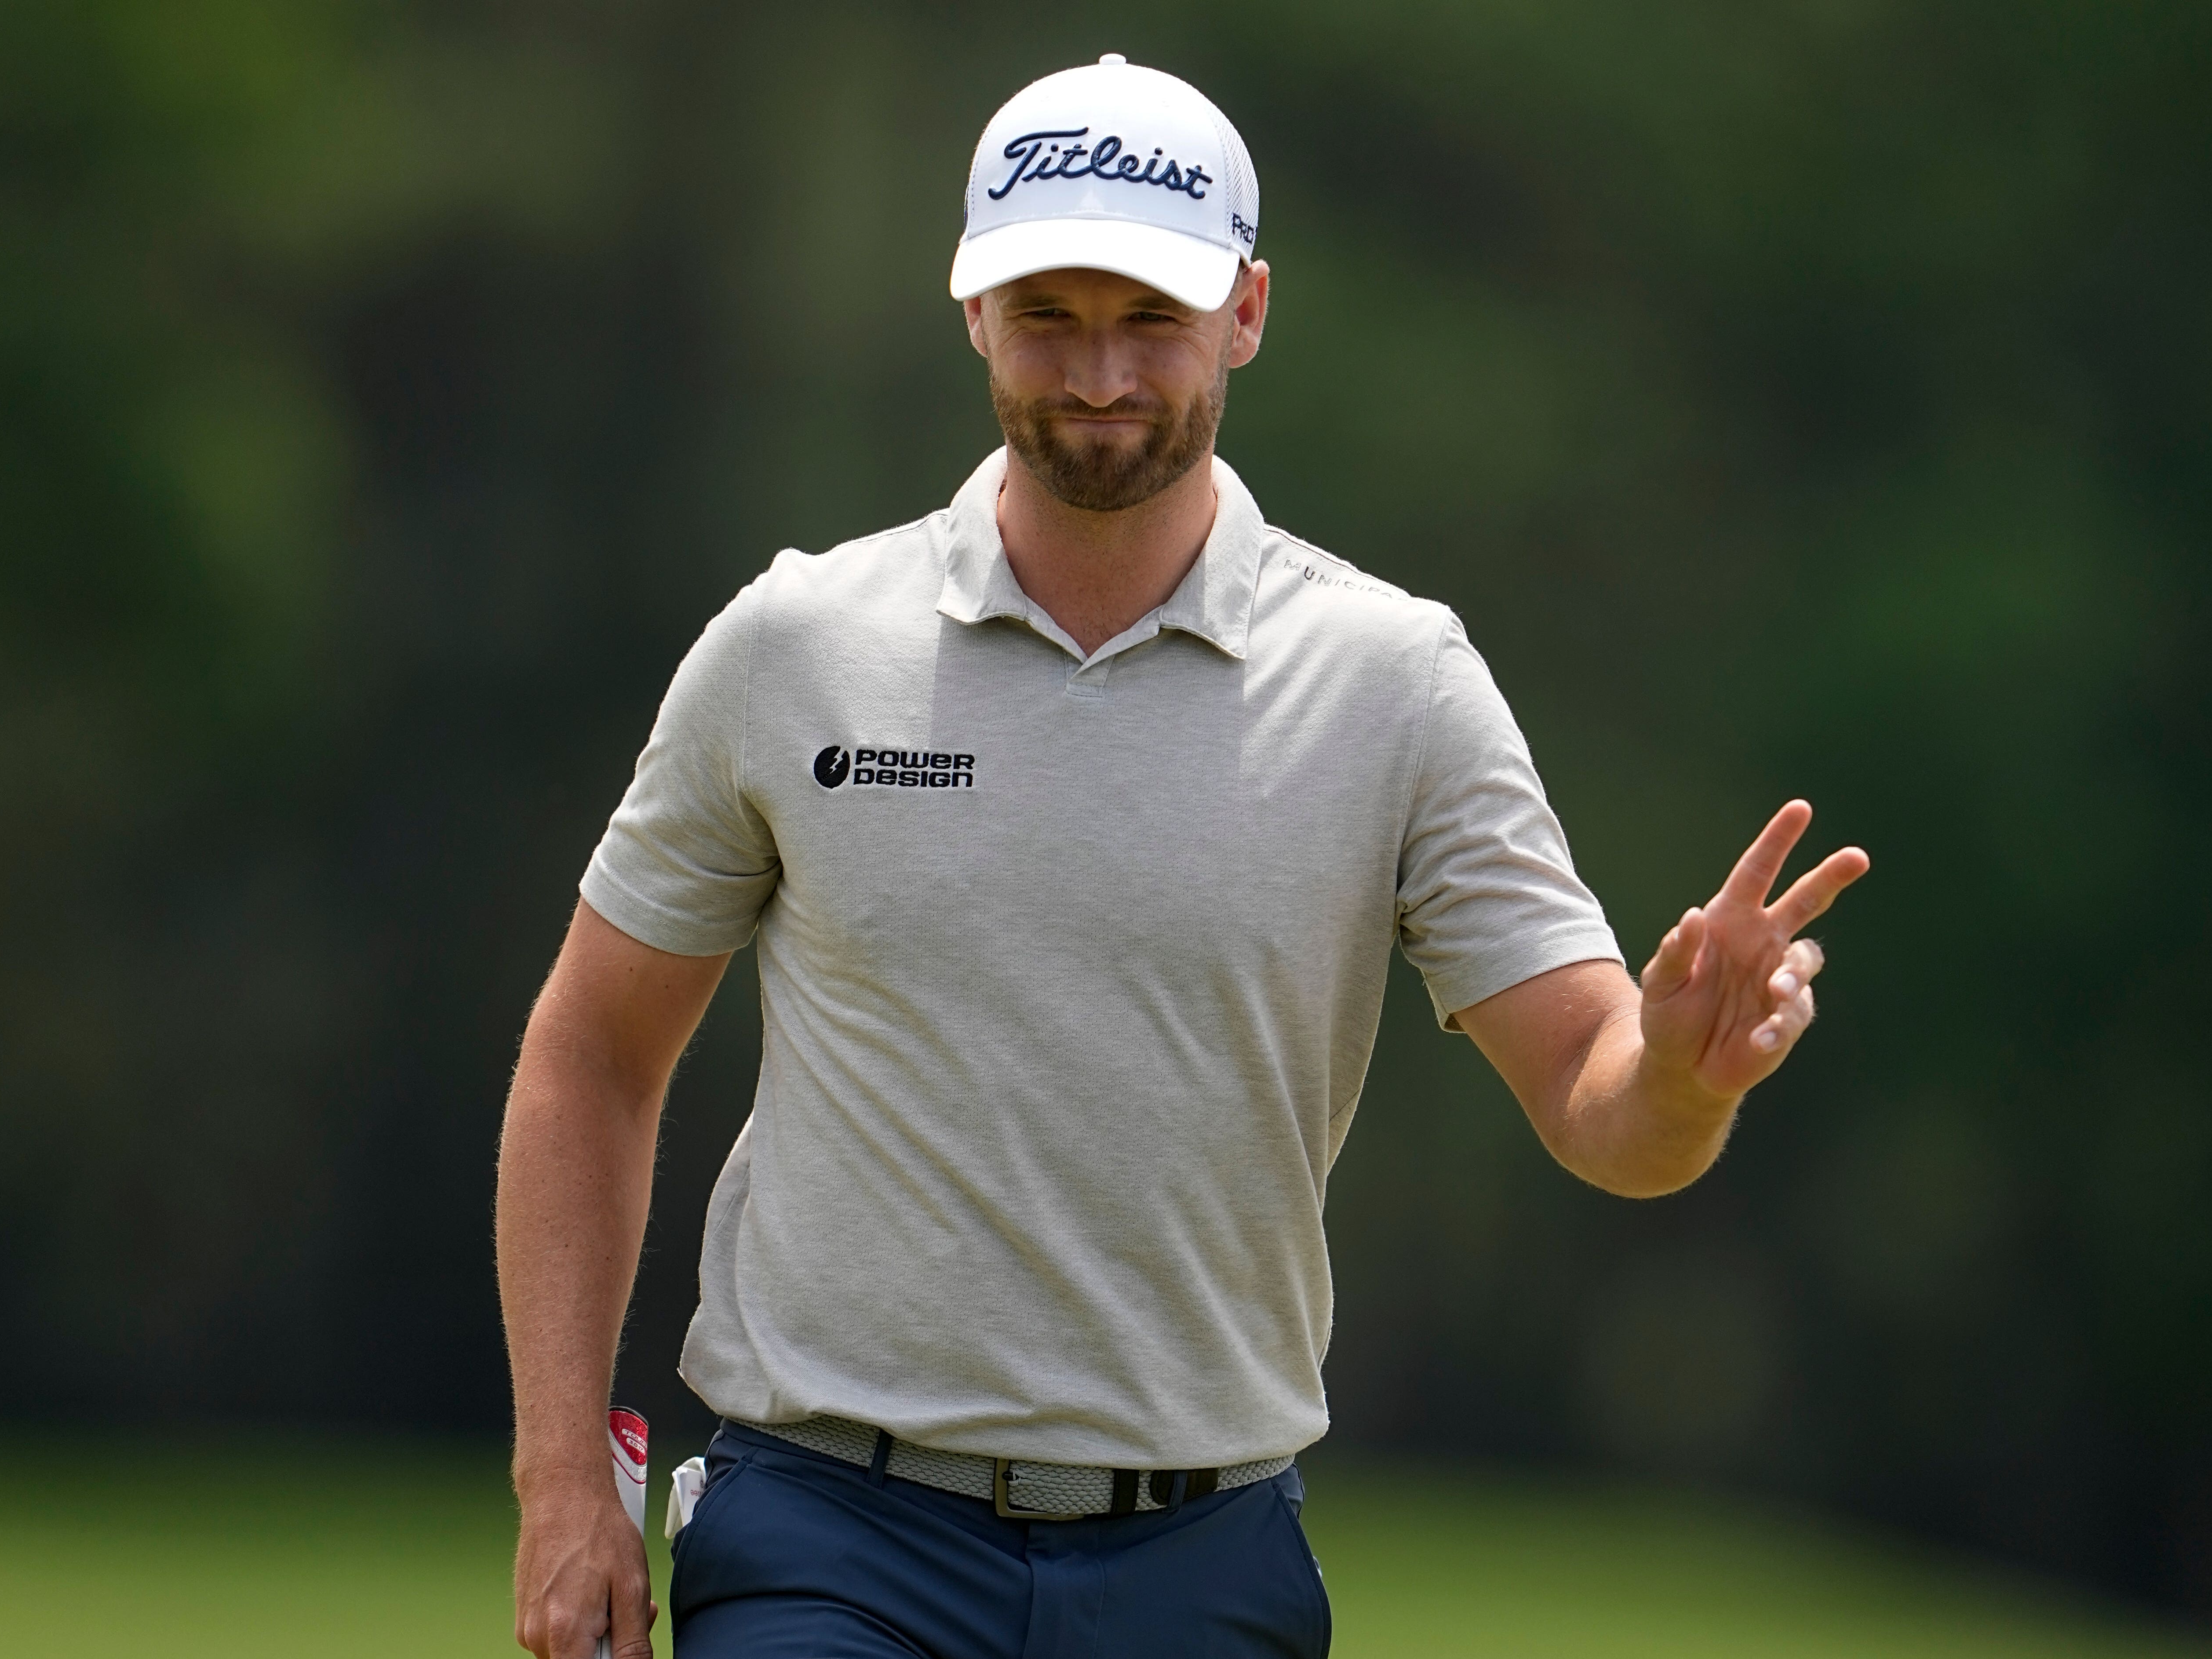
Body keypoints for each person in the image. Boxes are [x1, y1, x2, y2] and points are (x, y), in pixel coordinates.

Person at [496, 52, 1867, 1659]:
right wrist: (559, 1482)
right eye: (1048, 319)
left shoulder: (1394, 681)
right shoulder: (798, 645)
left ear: (1248, 314)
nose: (1098, 376)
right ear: (972, 318)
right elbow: (590, 1053)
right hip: (827, 1535)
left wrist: (1687, 1082)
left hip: (1199, 1558)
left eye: (1149, 320)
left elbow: (1600, 1106)